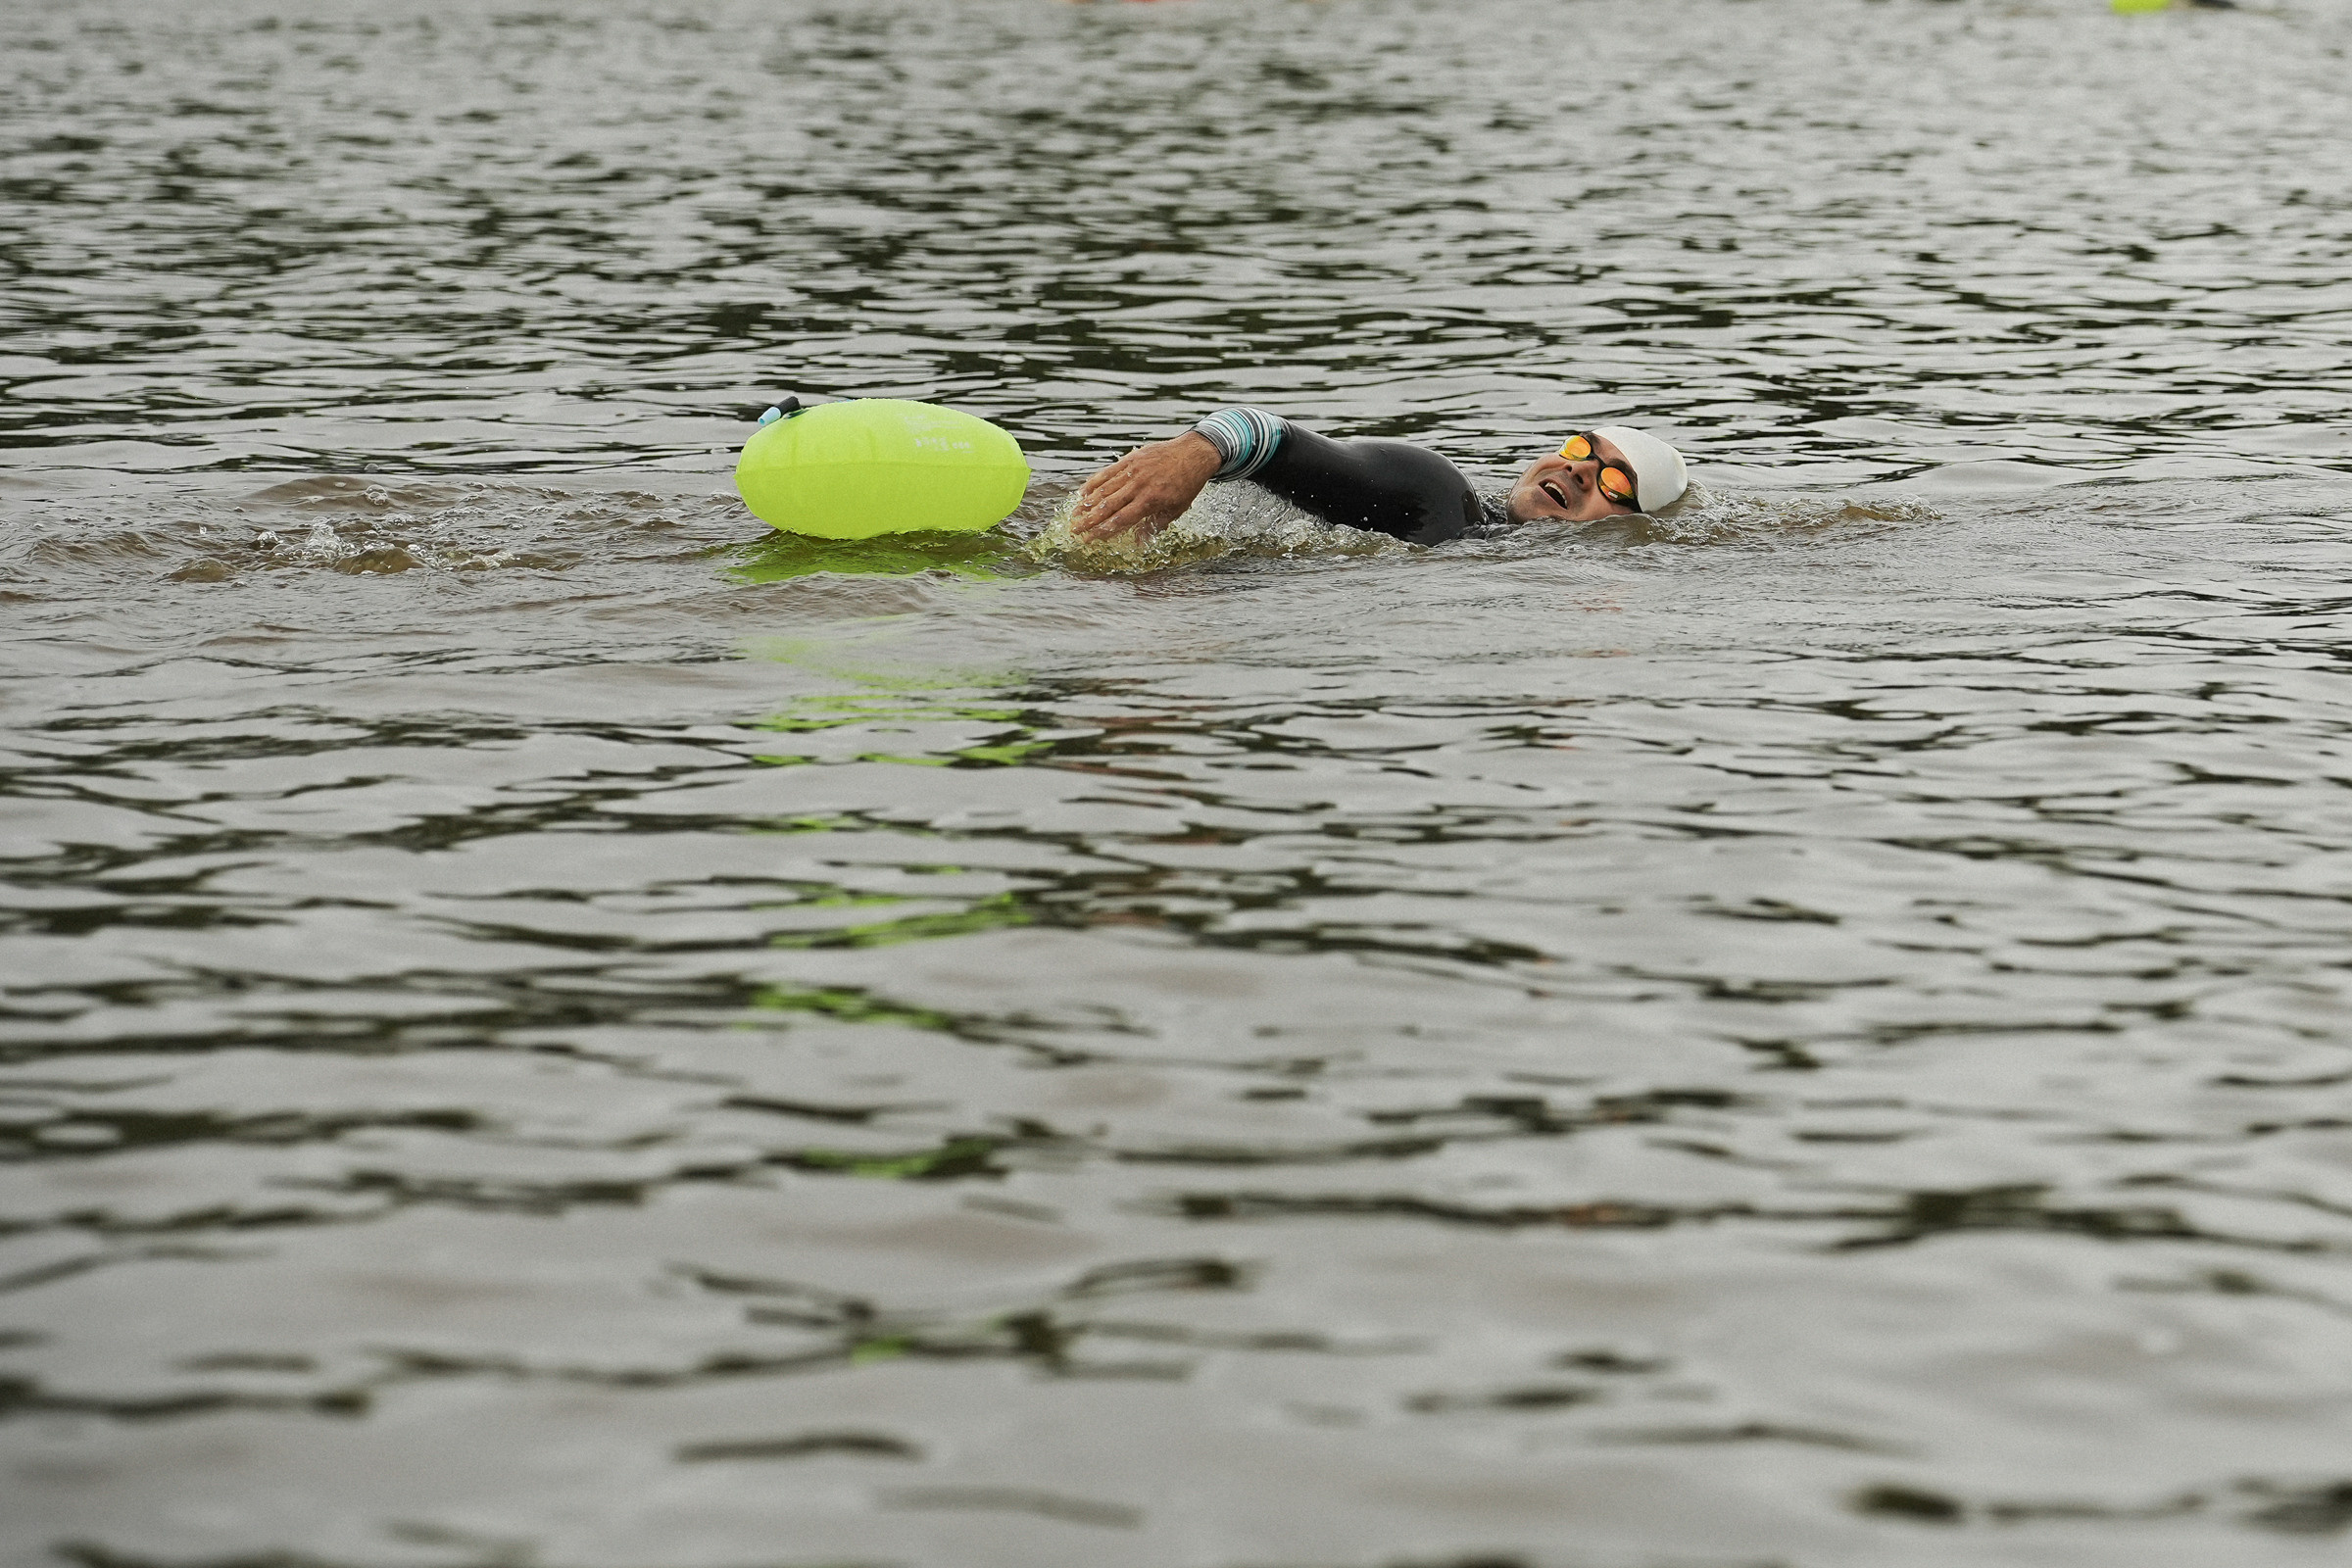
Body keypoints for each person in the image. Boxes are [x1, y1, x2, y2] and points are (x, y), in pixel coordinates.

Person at [1073, 407, 1689, 547]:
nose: (1581, 469)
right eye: (1582, 447)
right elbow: (1273, 436)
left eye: (1614, 483)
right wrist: (1194, 451)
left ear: (1633, 529)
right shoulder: (1433, 490)